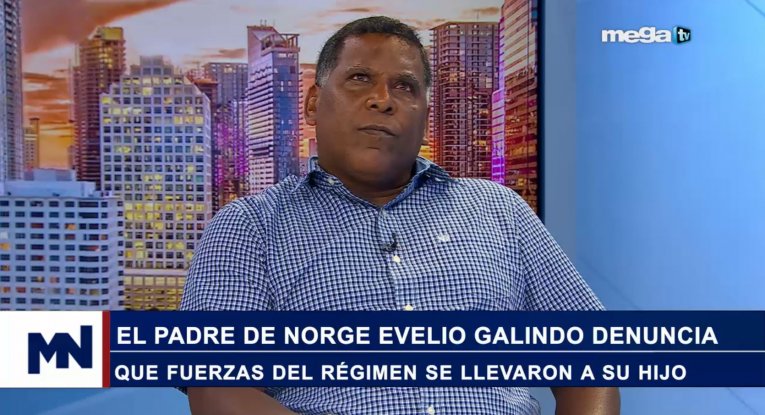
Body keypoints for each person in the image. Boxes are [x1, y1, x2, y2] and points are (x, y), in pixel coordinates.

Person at [181, 16, 620, 415]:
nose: (382, 100)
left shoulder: (499, 209)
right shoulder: (250, 226)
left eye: (405, 87)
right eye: (359, 79)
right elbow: (217, 388)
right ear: (313, 103)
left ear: (426, 116)